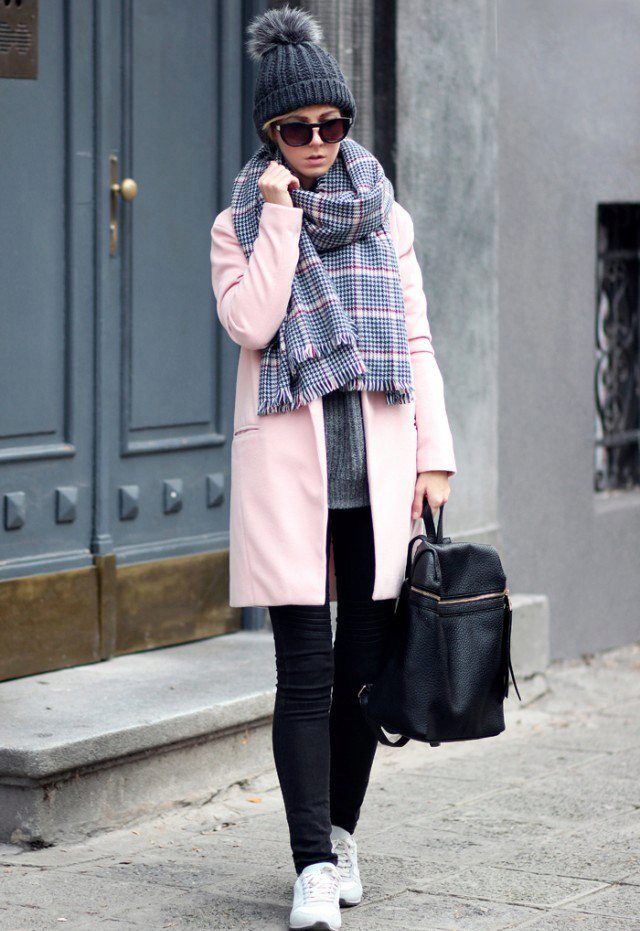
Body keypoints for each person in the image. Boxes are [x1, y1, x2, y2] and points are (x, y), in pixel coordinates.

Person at [210, 6, 456, 930]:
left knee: (361, 677)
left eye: (333, 123)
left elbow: (417, 342)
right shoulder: (239, 224)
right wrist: (279, 218)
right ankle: (311, 862)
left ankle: (342, 834)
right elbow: (252, 322)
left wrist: (436, 454)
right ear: (270, 134)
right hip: (292, 483)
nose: (318, 142)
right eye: (297, 128)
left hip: (379, 482)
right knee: (304, 675)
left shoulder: (387, 216)